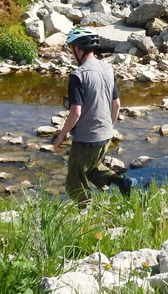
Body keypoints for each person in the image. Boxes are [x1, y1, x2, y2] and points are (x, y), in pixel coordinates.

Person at [52, 28, 131, 203]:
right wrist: (109, 127)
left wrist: (61, 136)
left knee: (75, 179)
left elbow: (76, 112)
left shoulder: (77, 75)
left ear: (78, 49)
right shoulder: (107, 69)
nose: (72, 53)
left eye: (72, 48)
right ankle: (123, 182)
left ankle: (84, 213)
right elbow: (116, 104)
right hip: (106, 134)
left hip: (86, 138)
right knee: (91, 166)